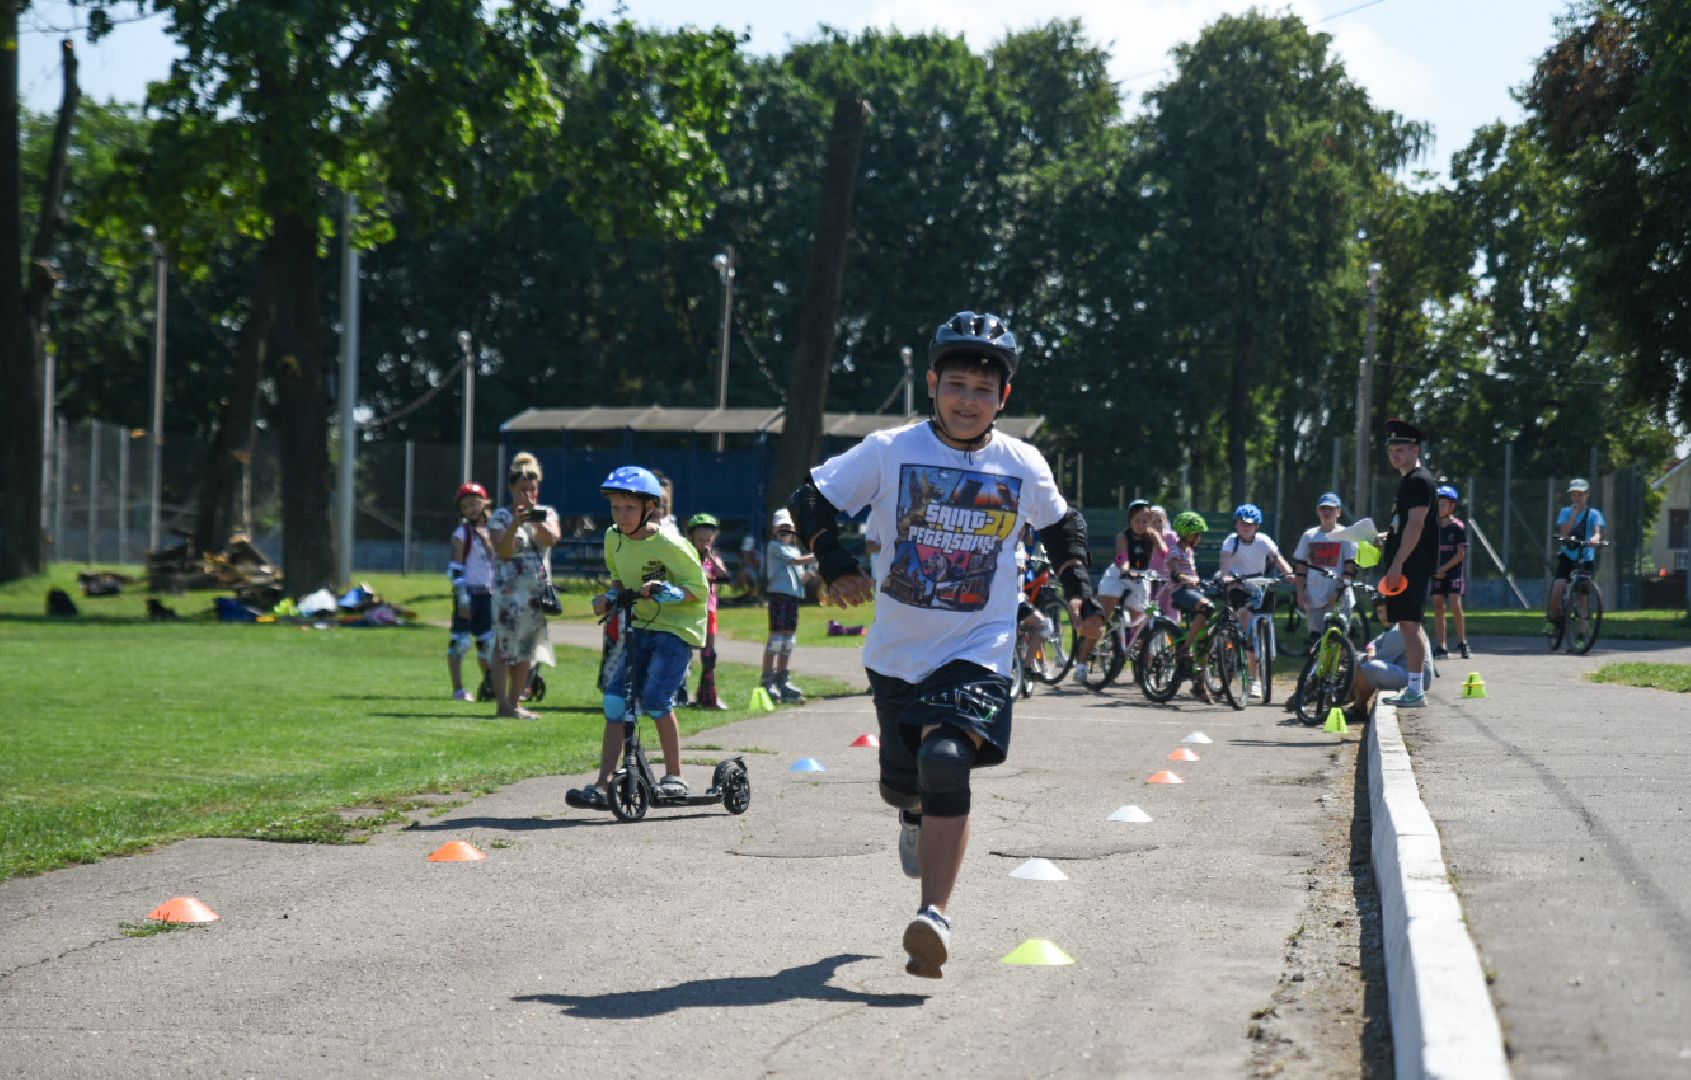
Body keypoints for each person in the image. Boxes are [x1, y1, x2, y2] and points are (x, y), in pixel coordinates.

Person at [788, 310, 1102, 978]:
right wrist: (835, 560)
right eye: (955, 383)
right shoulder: (888, 450)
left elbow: (1061, 526)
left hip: (979, 645)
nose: (968, 399)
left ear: (1004, 398)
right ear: (931, 383)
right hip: (897, 654)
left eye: (983, 389)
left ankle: (933, 917)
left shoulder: (1020, 463)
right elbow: (809, 498)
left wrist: (1078, 593)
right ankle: (911, 814)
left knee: (945, 755)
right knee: (905, 786)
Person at [568, 466, 709, 808]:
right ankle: (603, 783)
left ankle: (675, 775)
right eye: (616, 508)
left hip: (676, 630)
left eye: (629, 508)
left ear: (650, 507)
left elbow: (699, 590)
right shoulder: (613, 539)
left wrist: (666, 591)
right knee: (616, 702)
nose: (621, 515)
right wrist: (609, 598)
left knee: (658, 699)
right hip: (640, 626)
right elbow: (619, 581)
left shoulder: (671, 544)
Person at [488, 453, 558, 720]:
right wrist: (516, 523)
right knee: (505, 646)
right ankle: (502, 705)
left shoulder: (546, 513)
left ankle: (516, 702)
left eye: (533, 489)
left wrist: (535, 519)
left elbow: (552, 540)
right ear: (511, 489)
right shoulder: (501, 517)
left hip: (535, 593)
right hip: (509, 593)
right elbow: (503, 550)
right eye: (523, 489)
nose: (528, 494)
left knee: (527, 648)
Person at [1377, 417, 1439, 708]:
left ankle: (1416, 689)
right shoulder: (1409, 482)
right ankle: (1416, 685)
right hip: (1408, 562)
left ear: (1416, 450)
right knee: (1407, 625)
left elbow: (1415, 526)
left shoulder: (1418, 481)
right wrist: (1385, 537)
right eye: (1391, 451)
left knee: (1409, 626)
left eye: (1400, 450)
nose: (1395, 455)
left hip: (1411, 565)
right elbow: (1404, 525)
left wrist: (1397, 564)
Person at [1074, 499, 1158, 684]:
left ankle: (1144, 665)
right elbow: (1122, 556)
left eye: (1145, 521)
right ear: (1130, 520)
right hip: (1118, 577)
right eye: (1137, 521)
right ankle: (1080, 664)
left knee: (1141, 623)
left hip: (1140, 579)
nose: (1141, 525)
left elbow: (1165, 552)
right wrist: (1126, 567)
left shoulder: (1152, 536)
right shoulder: (1123, 536)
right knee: (1101, 618)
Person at [1218, 503, 1295, 698]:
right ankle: (1242, 666)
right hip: (1238, 585)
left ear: (1257, 526)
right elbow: (1225, 562)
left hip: (1259, 585)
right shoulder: (1231, 542)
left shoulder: (1263, 541)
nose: (1246, 527)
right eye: (1242, 524)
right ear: (1236, 525)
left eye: (1250, 525)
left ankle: (1255, 677)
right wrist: (1227, 577)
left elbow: (1278, 559)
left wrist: (1288, 573)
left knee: (1255, 630)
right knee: (1244, 623)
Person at [446, 482, 496, 702]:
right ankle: (458, 689)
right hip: (468, 593)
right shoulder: (461, 533)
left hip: (488, 594)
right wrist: (462, 596)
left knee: (487, 644)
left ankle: (490, 684)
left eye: (475, 503)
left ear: (484, 502)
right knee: (460, 643)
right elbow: (456, 567)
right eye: (466, 506)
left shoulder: (494, 530)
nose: (472, 509)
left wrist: (488, 541)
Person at [1292, 493, 1358, 654]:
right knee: (1316, 641)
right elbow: (1301, 567)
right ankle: (1318, 675)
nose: (1327, 512)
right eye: (1323, 509)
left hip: (1339, 597)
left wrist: (1338, 591)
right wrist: (1300, 592)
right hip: (1314, 596)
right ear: (1318, 511)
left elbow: (1350, 568)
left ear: (1338, 512)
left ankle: (1341, 675)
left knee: (1339, 640)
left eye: (1331, 509)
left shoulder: (1346, 535)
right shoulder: (1309, 536)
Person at [763, 508, 816, 703]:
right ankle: (767, 679)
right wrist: (817, 554)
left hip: (793, 597)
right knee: (776, 640)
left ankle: (782, 678)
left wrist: (813, 568)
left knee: (788, 640)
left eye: (789, 527)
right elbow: (795, 560)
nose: (785, 531)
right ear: (775, 530)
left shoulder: (795, 549)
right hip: (779, 596)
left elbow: (801, 577)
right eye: (781, 527)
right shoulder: (774, 547)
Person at [1345, 614, 1436, 721]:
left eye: (1386, 610)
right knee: (1360, 659)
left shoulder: (1398, 631)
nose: (1383, 615)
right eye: (1379, 611)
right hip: (1403, 670)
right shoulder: (1395, 628)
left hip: (1414, 677)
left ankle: (1358, 707)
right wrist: (1371, 649)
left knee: (1369, 668)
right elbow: (1373, 643)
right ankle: (1349, 697)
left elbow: (1380, 660)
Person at [1167, 511, 1217, 703]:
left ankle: (1199, 686)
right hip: (1181, 592)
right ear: (1185, 533)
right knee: (1207, 607)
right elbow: (1173, 571)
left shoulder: (1189, 551)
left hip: (1193, 592)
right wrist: (1184, 578)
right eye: (1196, 533)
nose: (1199, 537)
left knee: (1204, 640)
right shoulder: (1176, 550)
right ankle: (1185, 647)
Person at [1547, 478, 1606, 632]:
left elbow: (1597, 533)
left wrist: (1595, 539)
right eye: (1574, 495)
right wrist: (1573, 515)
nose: (1577, 498)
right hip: (1568, 558)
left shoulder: (1594, 514)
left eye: (1580, 494)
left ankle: (1581, 635)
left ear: (1587, 495)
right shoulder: (1565, 512)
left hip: (1585, 559)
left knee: (1583, 596)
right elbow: (1565, 533)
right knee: (1558, 588)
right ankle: (1554, 621)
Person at [686, 512, 732, 709]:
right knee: (683, 652)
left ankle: (708, 693)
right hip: (690, 609)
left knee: (709, 653)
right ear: (691, 538)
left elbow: (724, 574)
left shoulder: (713, 557)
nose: (704, 543)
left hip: (709, 608)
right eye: (699, 539)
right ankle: (678, 691)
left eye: (708, 539)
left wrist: (711, 557)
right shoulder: (687, 556)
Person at [1430, 485, 1469, 660]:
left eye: (1444, 504)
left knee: (1455, 603)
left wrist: (1443, 569)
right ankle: (1441, 646)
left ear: (1452, 506)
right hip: (1436, 571)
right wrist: (1434, 569)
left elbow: (1460, 554)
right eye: (1438, 504)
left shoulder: (1457, 527)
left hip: (1452, 571)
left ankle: (1463, 643)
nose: (1440, 507)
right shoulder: (1431, 526)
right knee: (1438, 604)